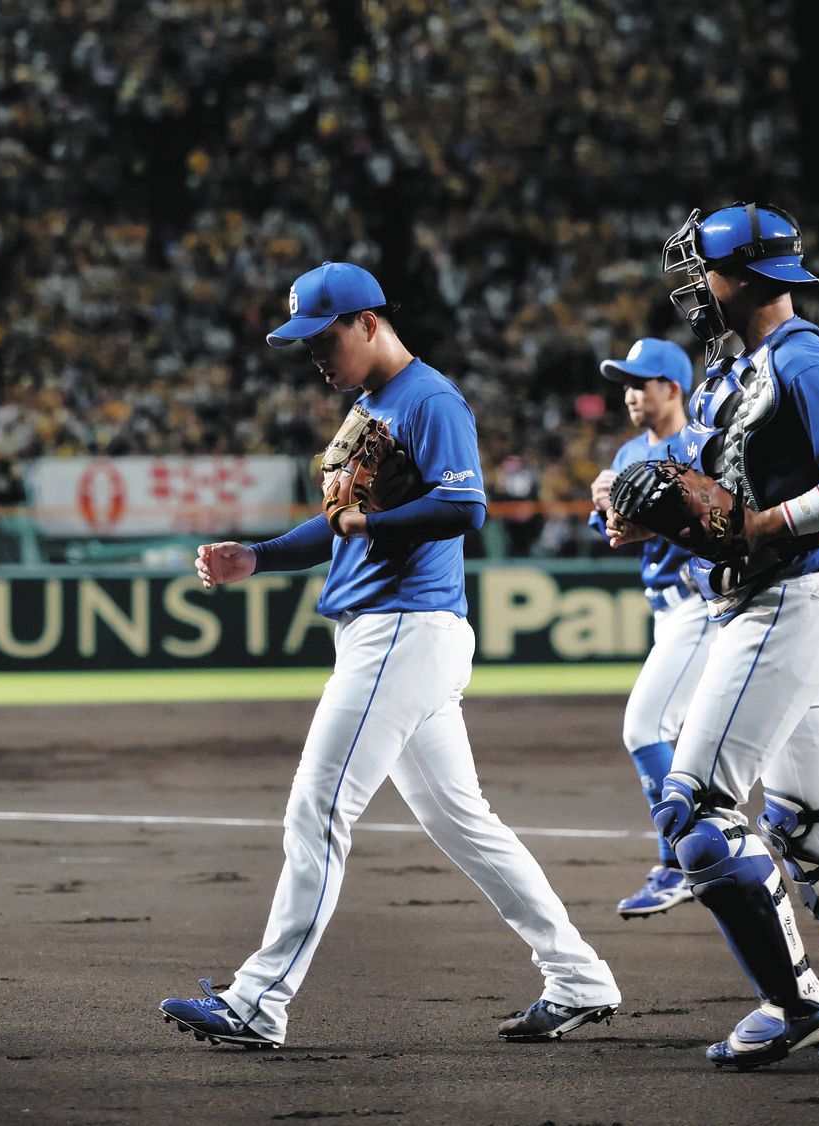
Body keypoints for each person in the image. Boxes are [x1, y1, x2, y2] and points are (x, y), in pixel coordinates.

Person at [158, 261, 621, 1048]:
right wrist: (259, 557)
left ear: (369, 322)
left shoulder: (428, 399)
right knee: (464, 824)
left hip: (404, 629)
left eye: (324, 338)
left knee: (318, 808)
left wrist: (369, 526)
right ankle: (578, 976)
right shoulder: (371, 405)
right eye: (305, 343)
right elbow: (336, 520)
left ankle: (258, 1001)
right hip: (391, 634)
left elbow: (464, 506)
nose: (315, 356)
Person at [607, 203, 819, 1068]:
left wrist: (762, 525)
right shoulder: (734, 369)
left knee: (695, 810)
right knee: (804, 820)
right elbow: (716, 496)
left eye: (706, 271)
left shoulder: (800, 357)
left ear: (746, 278)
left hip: (790, 602)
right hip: (775, 605)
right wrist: (651, 513)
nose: (696, 286)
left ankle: (794, 1005)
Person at [589, 338, 711, 918]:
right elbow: (614, 534)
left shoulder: (702, 446)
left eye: (641, 383)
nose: (630, 395)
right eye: (626, 385)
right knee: (697, 746)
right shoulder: (630, 451)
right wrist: (604, 507)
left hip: (701, 604)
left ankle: (678, 864)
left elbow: (718, 524)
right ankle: (713, 853)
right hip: (666, 611)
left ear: (672, 388)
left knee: (645, 726)